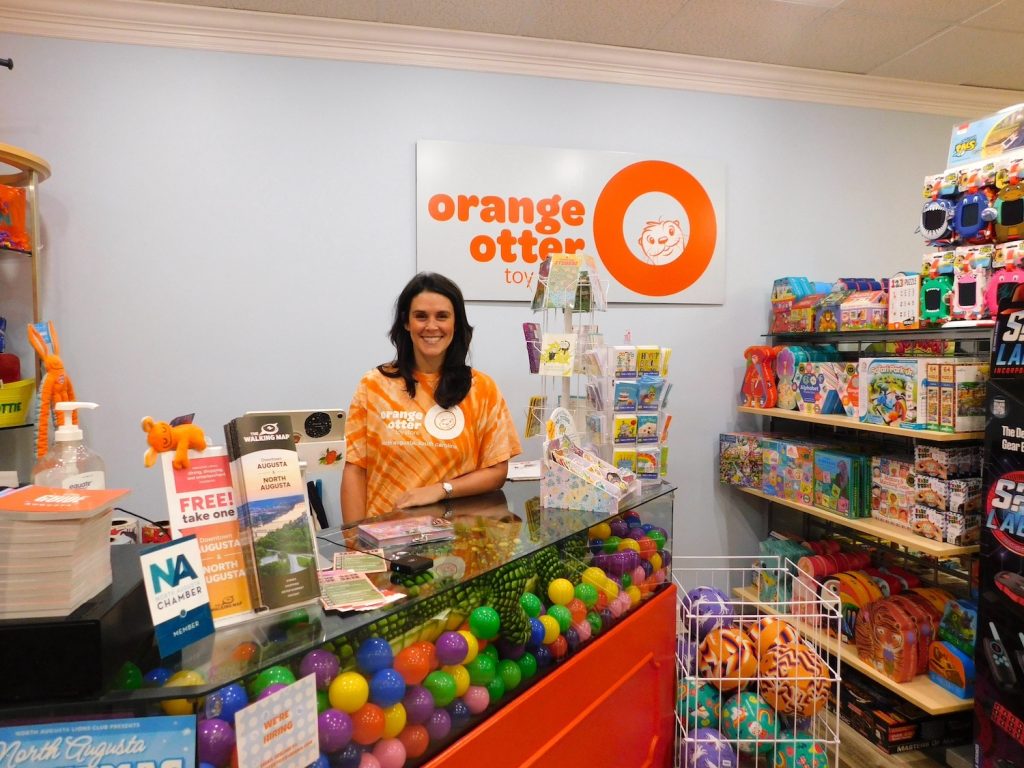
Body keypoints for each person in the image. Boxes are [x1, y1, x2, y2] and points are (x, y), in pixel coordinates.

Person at [341, 272, 522, 523]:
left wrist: (441, 489)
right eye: (421, 316)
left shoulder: (482, 389)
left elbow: (496, 472)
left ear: (456, 323)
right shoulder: (374, 385)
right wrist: (354, 543)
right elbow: (355, 470)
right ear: (406, 322)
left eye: (442, 316)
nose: (431, 326)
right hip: (384, 539)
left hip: (456, 547)